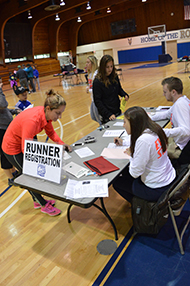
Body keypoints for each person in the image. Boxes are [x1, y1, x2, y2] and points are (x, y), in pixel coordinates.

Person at [2, 89, 72, 216]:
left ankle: (36, 200)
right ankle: (43, 204)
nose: (59, 117)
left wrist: (61, 144)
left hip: (21, 144)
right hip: (12, 148)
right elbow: (26, 149)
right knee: (30, 176)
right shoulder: (32, 121)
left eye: (61, 113)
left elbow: (50, 132)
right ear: (49, 109)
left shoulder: (45, 115)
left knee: (33, 174)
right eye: (58, 113)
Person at [112, 106, 176, 203]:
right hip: (168, 177)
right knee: (125, 173)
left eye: (125, 122)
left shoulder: (143, 141)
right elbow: (140, 138)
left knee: (117, 183)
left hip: (157, 188)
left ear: (133, 124)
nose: (123, 125)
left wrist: (132, 154)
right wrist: (124, 142)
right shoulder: (155, 129)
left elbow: (134, 173)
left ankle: (140, 207)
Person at [151, 77, 190, 159]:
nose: (163, 94)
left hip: (182, 148)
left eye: (165, 92)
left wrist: (162, 131)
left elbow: (186, 131)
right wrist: (147, 118)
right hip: (180, 142)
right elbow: (166, 114)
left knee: (152, 150)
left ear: (173, 92)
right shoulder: (181, 101)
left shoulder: (180, 105)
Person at [93, 54, 129, 124]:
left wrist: (124, 95)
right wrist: (108, 114)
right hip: (107, 115)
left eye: (111, 66)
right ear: (103, 67)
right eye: (107, 67)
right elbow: (97, 101)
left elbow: (119, 89)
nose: (110, 69)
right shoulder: (97, 82)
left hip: (117, 110)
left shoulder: (114, 77)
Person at [0, 78, 20, 179]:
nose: (2, 84)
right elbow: (3, 104)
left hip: (6, 127)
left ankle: (13, 171)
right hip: (1, 129)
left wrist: (14, 111)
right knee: (4, 152)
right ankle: (10, 178)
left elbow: (4, 110)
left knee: (9, 150)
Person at [86, 55, 102, 126]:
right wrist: (88, 87)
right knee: (93, 116)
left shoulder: (96, 74)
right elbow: (91, 85)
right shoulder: (90, 74)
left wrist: (89, 90)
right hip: (93, 99)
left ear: (92, 63)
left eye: (88, 62)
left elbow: (96, 89)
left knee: (98, 118)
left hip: (98, 99)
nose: (86, 64)